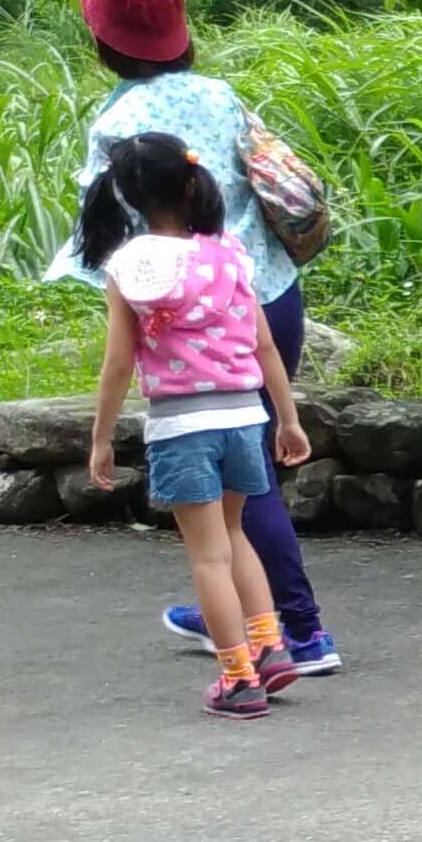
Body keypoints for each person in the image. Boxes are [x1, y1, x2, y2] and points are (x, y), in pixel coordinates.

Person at [63, 0, 349, 676]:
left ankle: (301, 632)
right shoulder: (221, 96)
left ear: (104, 41)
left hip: (187, 322)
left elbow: (117, 240)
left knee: (237, 490)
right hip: (266, 294)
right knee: (248, 480)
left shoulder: (118, 124)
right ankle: (241, 607)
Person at [83, 134, 314, 717]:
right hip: (245, 416)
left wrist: (101, 436)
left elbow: (118, 361)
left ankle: (237, 677)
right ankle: (269, 646)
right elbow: (263, 346)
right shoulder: (231, 253)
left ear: (129, 195)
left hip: (183, 426)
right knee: (235, 537)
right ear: (192, 185)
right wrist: (287, 418)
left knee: (207, 556)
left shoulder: (130, 265)